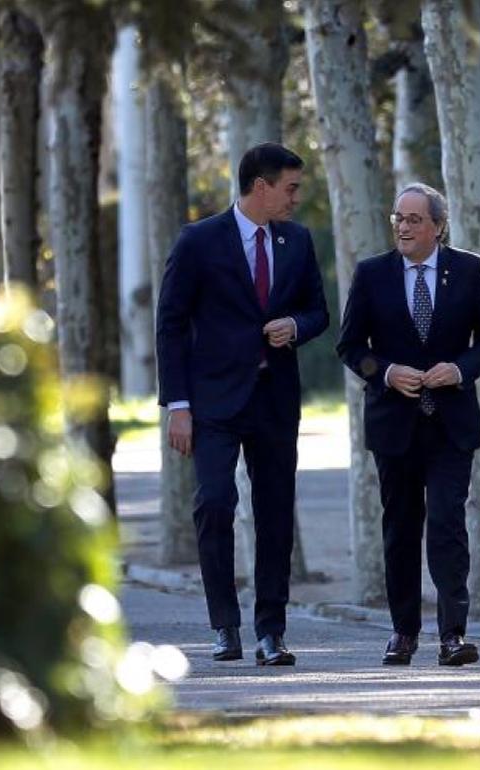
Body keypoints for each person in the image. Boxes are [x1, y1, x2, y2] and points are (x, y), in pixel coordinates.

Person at [156, 143, 329, 666]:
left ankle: (271, 632)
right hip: (211, 402)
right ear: (262, 186)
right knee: (214, 504)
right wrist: (177, 405)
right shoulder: (199, 240)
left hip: (274, 400)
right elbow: (170, 323)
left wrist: (295, 326)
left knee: (275, 515)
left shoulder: (297, 241)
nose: (296, 198)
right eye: (291, 188)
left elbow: (319, 312)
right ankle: (224, 626)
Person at [336, 183, 480, 667]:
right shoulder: (372, 274)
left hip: (451, 425)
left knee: (448, 524)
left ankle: (453, 635)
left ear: (437, 226)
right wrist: (386, 373)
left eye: (414, 220)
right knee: (401, 529)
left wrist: (461, 369)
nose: (404, 227)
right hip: (394, 426)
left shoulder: (469, 271)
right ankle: (404, 632)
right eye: (399, 219)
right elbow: (351, 348)